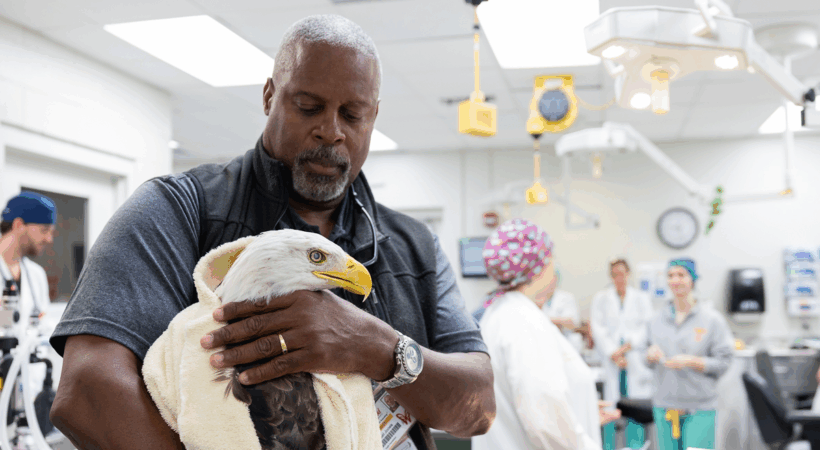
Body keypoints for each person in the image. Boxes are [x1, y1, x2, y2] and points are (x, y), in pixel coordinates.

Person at [48, 15, 495, 450]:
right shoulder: (176, 210)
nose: (330, 130)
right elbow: (86, 393)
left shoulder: (415, 245)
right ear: (269, 96)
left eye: (353, 114)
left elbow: (477, 410)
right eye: (309, 107)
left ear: (373, 117)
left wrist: (375, 346)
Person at [472, 218, 621, 450]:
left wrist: (580, 412)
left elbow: (529, 401)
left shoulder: (501, 312)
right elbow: (546, 423)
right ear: (539, 266)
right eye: (551, 258)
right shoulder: (523, 321)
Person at [639, 258, 734, 450]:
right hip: (665, 404)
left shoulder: (711, 320)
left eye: (681, 275)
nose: (675, 280)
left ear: (692, 279)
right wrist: (649, 354)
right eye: (671, 275)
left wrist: (693, 361)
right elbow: (643, 355)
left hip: (699, 406)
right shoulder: (655, 319)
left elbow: (724, 361)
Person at [590, 258, 654, 450]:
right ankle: (610, 446)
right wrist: (613, 353)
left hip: (634, 358)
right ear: (611, 276)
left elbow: (647, 327)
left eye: (623, 273)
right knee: (610, 406)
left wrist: (625, 349)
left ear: (629, 274)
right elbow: (597, 327)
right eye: (615, 274)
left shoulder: (641, 298)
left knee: (635, 406)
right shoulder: (601, 298)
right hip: (611, 359)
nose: (619, 277)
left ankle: (636, 446)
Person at [0, 191, 55, 322]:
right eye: (44, 230)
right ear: (18, 225)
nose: (49, 239)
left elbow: (43, 327)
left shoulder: (37, 274)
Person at [539, 267, 583, 351]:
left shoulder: (567, 297)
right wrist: (559, 321)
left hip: (565, 340)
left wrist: (548, 320)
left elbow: (572, 322)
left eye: (552, 278)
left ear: (556, 279)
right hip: (544, 340)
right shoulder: (538, 299)